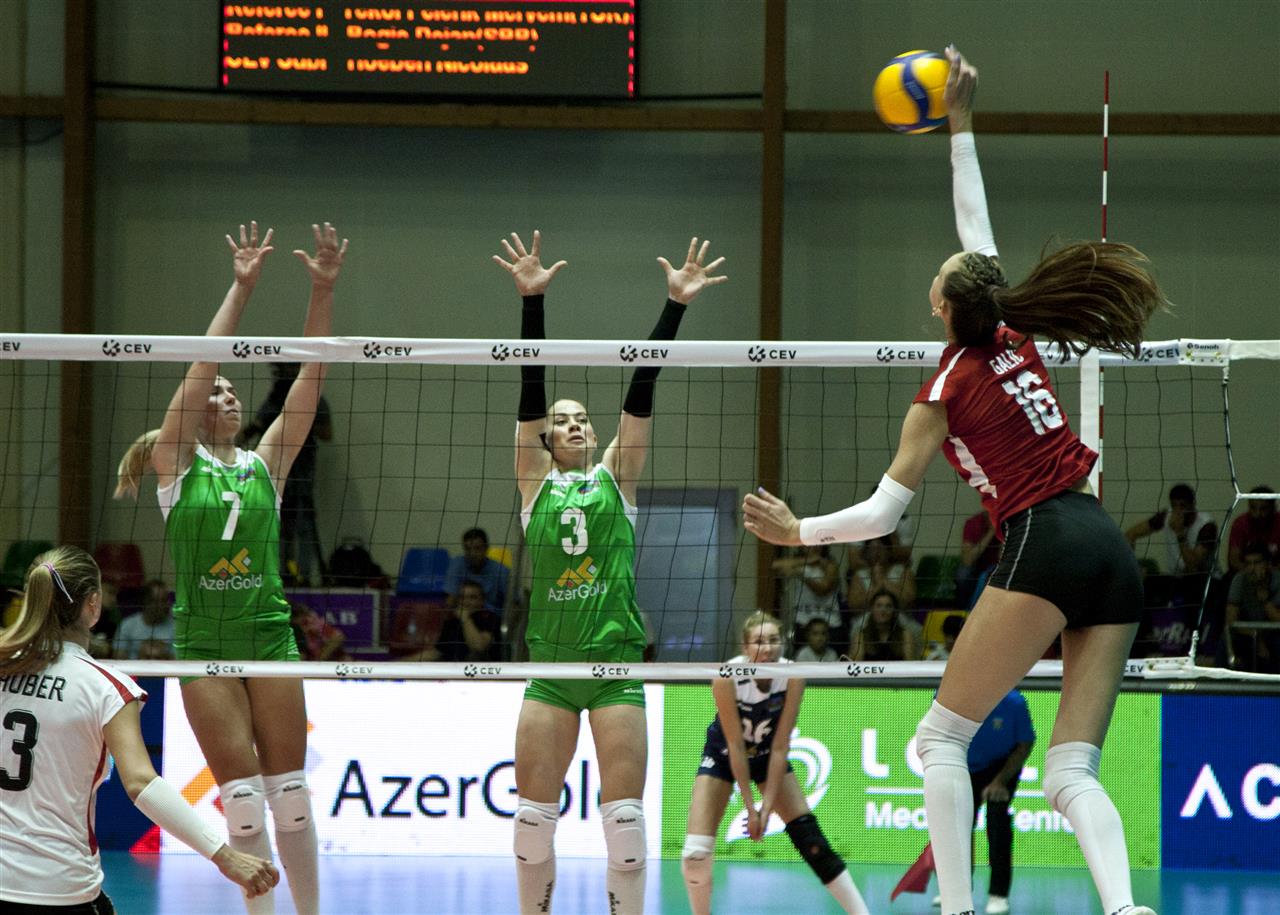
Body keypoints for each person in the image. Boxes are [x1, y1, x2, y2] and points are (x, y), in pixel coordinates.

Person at [742, 48, 1163, 915]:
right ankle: (1126, 909)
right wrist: (961, 125)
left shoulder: (944, 388)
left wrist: (796, 532)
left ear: (940, 307)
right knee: (1071, 767)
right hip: (1105, 541)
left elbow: (880, 513)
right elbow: (977, 225)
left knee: (941, 737)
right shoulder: (1015, 335)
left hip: (1043, 538)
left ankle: (957, 908)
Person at [113, 221, 346, 915]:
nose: (227, 396)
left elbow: (311, 375)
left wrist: (323, 290)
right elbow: (200, 366)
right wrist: (241, 288)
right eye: (216, 393)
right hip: (206, 643)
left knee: (291, 797)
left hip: (268, 636)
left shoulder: (266, 464)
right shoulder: (174, 467)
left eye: (232, 391)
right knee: (242, 801)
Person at [494, 229, 725, 915]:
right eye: (560, 421)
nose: (571, 425)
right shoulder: (533, 480)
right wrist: (532, 303)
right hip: (551, 668)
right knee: (531, 826)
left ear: (594, 435)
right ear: (543, 437)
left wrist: (674, 307)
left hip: (615, 666)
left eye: (581, 420)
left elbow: (641, 390)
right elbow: (529, 387)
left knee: (625, 829)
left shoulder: (616, 478)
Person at [0, 546, 278, 912]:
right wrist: (224, 856)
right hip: (60, 887)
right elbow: (141, 783)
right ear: (93, 605)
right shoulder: (106, 688)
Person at [682, 611, 869, 915]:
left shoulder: (792, 675)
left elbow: (781, 745)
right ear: (745, 647)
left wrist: (766, 810)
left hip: (769, 755)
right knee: (695, 854)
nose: (767, 648)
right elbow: (735, 745)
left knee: (812, 843)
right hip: (724, 756)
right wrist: (750, 808)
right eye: (759, 641)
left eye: (773, 640)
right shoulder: (726, 677)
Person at [928, 687, 1036, 915]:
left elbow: (1024, 744)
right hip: (961, 763)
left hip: (1001, 766)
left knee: (997, 821)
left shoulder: (1014, 702)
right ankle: (956, 890)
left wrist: (1000, 781)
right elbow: (936, 737)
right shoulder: (947, 695)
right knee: (955, 824)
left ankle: (998, 894)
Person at [238, 362, 333, 587]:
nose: (283, 373)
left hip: (303, 469)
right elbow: (252, 430)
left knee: (304, 524)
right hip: (275, 471)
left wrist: (300, 422)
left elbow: (327, 434)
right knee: (278, 523)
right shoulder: (274, 398)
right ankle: (282, 574)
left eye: (288, 368)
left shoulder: (314, 398)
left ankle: (304, 576)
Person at [1125, 483, 1220, 578]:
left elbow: (1193, 566)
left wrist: (1180, 533)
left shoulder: (1207, 526)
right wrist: (1133, 567)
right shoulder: (1166, 516)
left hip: (1205, 579)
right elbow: (1131, 534)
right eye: (1174, 506)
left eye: (1182, 506)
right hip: (1175, 578)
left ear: (1192, 505)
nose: (1178, 511)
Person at [1222, 543, 1280, 672]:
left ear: (1268, 564)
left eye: (1257, 563)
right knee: (1226, 640)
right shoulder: (1240, 580)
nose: (1252, 569)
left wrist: (1265, 600)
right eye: (1248, 564)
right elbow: (1230, 620)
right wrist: (1256, 638)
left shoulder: (1277, 580)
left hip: (1274, 634)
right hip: (1249, 633)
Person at [771, 545, 843, 649]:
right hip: (803, 622)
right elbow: (774, 565)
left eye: (818, 544)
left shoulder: (830, 564)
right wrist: (808, 561)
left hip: (829, 624)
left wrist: (800, 574)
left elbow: (823, 589)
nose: (815, 547)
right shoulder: (797, 562)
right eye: (810, 544)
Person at [444, 527, 510, 611]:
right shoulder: (457, 564)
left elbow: (514, 604)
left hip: (492, 615)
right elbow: (451, 600)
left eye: (477, 548)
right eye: (468, 549)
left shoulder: (502, 571)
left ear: (486, 548)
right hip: (463, 613)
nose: (472, 553)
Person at [848, 588, 923, 661]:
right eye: (879, 606)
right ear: (872, 609)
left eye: (888, 606)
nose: (883, 610)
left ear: (894, 611)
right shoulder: (860, 635)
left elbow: (909, 663)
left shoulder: (905, 635)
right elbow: (856, 662)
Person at [436, 579, 501, 662]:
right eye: (462, 597)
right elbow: (438, 653)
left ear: (482, 600)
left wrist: (465, 619)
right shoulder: (451, 622)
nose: (465, 602)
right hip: (453, 667)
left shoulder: (491, 619)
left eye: (472, 597)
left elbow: (479, 647)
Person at [846, 535, 917, 610]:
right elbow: (853, 605)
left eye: (880, 548)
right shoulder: (859, 575)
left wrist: (884, 581)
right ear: (866, 553)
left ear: (889, 551)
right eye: (872, 549)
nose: (876, 553)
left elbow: (908, 601)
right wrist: (877, 587)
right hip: (867, 616)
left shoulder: (904, 572)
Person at [113, 578, 176, 660]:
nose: (161, 605)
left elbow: (178, 661)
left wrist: (162, 655)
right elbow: (118, 658)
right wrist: (142, 656)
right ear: (145, 601)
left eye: (164, 600)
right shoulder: (127, 625)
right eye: (156, 601)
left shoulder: (175, 628)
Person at [1227, 486, 1280, 573]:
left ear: (1273, 508)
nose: (1257, 514)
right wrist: (1253, 572)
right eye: (1253, 508)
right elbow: (1234, 560)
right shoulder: (1240, 524)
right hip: (1246, 573)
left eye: (1263, 509)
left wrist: (1267, 573)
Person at [956, 507, 1001, 609]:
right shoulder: (973, 523)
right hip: (976, 567)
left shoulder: (1007, 524)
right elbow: (967, 560)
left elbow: (1004, 557)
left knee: (988, 576)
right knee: (963, 573)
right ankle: (963, 611)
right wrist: (991, 532)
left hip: (996, 568)